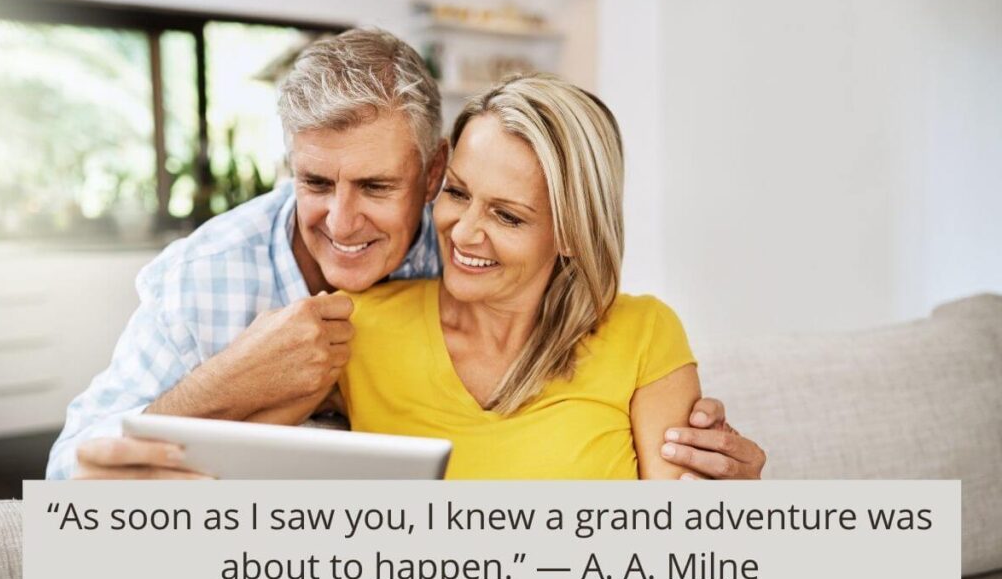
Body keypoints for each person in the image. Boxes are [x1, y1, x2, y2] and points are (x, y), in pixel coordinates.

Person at [254, 73, 869, 579]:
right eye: (459, 194)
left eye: (507, 215)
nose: (465, 232)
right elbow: (204, 456)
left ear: (572, 231)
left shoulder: (643, 329)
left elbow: (691, 574)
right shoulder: (358, 326)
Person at [46, 28, 766, 483]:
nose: (342, 219)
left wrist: (712, 471)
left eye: (377, 186)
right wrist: (222, 381)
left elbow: (581, 316)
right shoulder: (202, 276)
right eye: (316, 182)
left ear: (431, 174)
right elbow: (69, 484)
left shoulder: (458, 242)